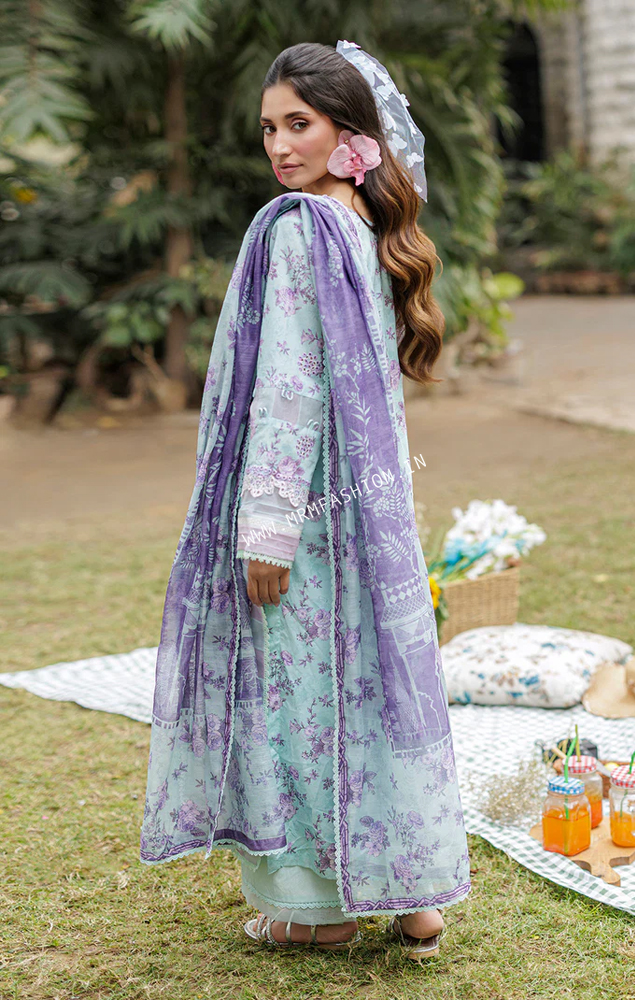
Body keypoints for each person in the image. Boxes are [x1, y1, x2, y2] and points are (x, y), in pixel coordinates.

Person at [139, 39, 471, 962]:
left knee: (305, 696)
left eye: (300, 124)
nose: (281, 147)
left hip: (307, 516)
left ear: (347, 131)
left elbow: (290, 387)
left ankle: (317, 911)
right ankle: (414, 896)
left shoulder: (297, 228)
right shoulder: (364, 224)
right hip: (368, 511)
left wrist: (267, 530)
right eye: (268, 130)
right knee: (378, 685)